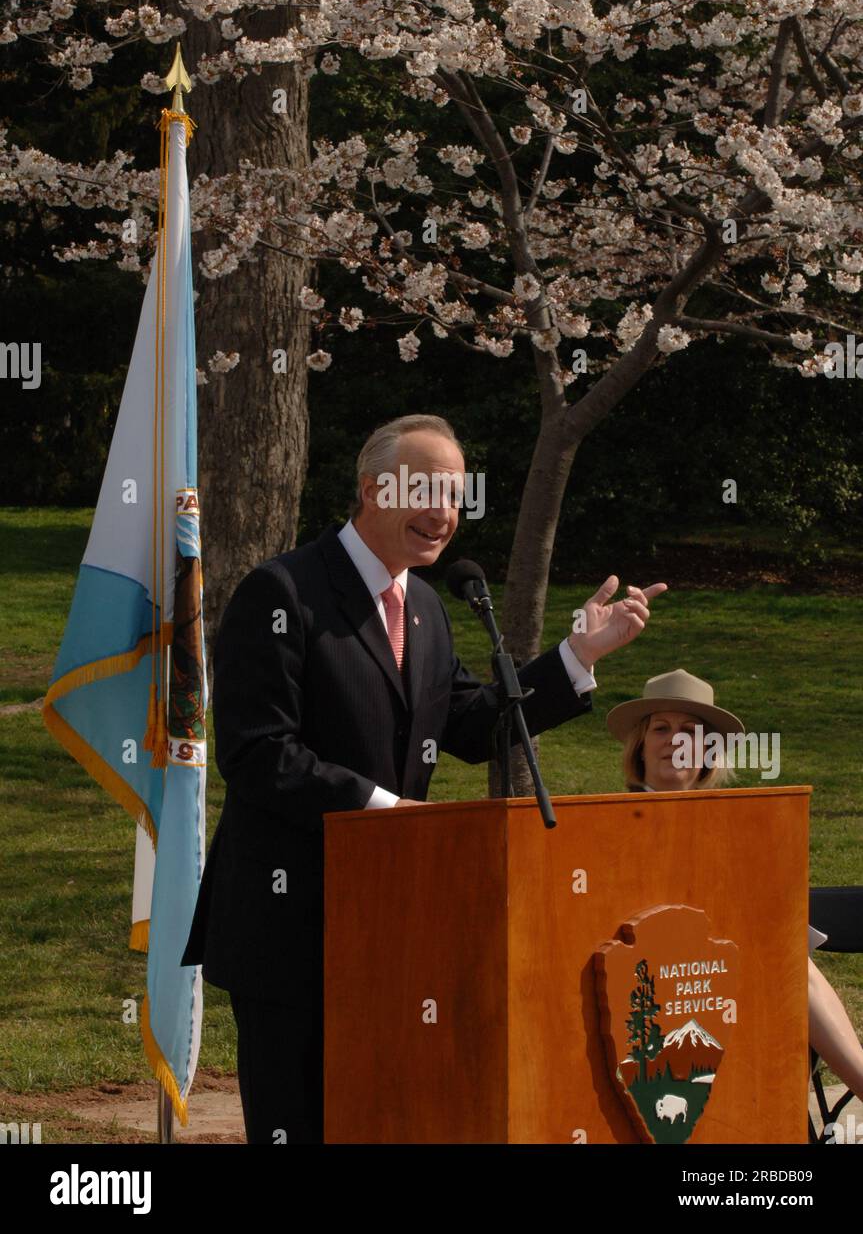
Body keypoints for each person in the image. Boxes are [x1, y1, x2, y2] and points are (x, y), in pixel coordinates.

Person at [181, 414, 668, 1143]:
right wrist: (387, 811)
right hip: (293, 923)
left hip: (399, 922)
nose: (444, 512)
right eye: (426, 489)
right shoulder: (281, 593)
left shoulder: (428, 608)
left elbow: (472, 726)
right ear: (372, 489)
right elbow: (258, 754)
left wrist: (574, 657)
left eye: (455, 493)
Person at [606, 668, 863, 1103]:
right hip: (642, 989)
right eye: (661, 729)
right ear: (641, 747)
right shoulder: (602, 824)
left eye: (689, 731)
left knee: (789, 956)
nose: (674, 740)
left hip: (732, 983)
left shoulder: (740, 831)